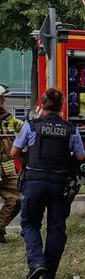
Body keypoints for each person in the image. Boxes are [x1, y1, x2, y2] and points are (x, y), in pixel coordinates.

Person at [11, 87, 85, 279]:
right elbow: (80, 156)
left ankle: (36, 263)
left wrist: (28, 161)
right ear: (61, 107)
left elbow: (14, 152)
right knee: (56, 228)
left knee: (30, 224)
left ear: (42, 105)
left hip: (33, 182)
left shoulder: (31, 126)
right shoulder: (71, 129)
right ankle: (49, 273)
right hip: (59, 185)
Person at [0, 84, 24, 243]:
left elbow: (24, 128)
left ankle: (0, 227)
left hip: (6, 169)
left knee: (18, 198)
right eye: (1, 97)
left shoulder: (7, 118)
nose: (4, 100)